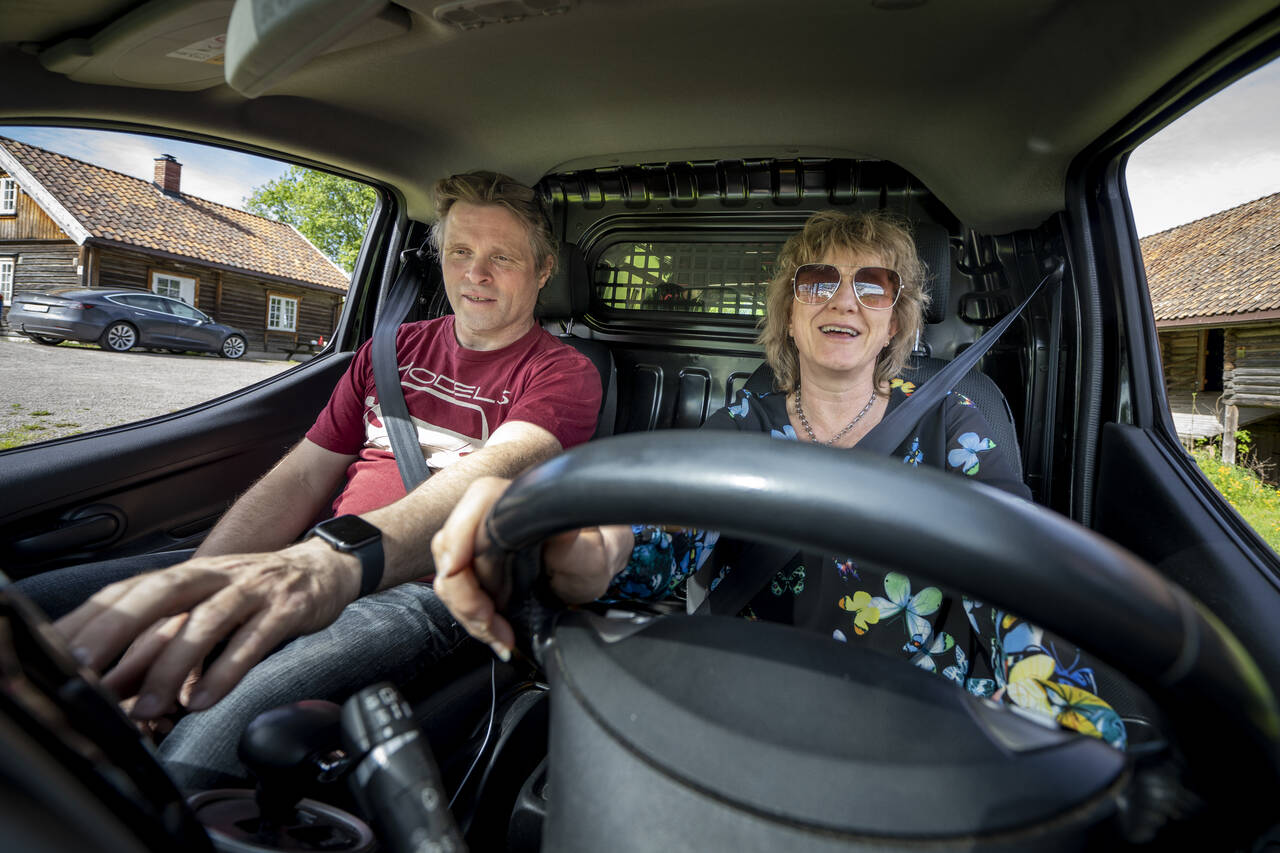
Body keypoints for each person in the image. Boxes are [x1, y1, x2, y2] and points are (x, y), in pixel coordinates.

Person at [432, 209, 1128, 750]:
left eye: (873, 284)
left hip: (920, 709)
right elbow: (654, 537)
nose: (844, 300)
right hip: (762, 702)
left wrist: (1057, 708)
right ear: (790, 315)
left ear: (894, 319)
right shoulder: (743, 423)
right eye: (818, 280)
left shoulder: (956, 413)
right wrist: (560, 531)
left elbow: (1010, 570)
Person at [40, 171, 604, 788]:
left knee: (207, 740)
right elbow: (303, 475)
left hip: (426, 593)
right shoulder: (389, 351)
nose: (476, 273)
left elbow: (496, 468)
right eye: (461, 252)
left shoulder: (563, 373)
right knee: (39, 609)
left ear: (544, 271)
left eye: (503, 257)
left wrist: (332, 564)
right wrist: (195, 586)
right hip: (317, 552)